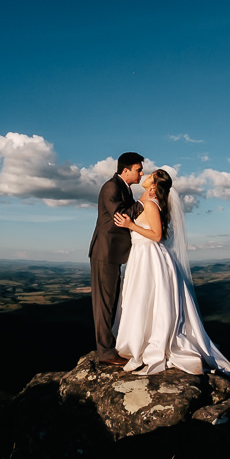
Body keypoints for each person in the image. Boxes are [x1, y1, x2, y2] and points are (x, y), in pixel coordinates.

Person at [112, 169, 230, 375]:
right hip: (142, 256)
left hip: (149, 256)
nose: (146, 175)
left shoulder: (150, 205)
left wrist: (130, 224)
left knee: (146, 299)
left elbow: (157, 235)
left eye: (150, 176)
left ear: (154, 185)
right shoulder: (147, 200)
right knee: (142, 300)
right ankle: (140, 341)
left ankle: (146, 343)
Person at [89, 152, 144, 366]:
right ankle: (104, 353)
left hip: (114, 253)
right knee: (103, 304)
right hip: (105, 253)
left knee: (111, 302)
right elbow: (120, 217)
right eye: (138, 170)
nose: (141, 174)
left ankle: (110, 347)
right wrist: (143, 203)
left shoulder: (125, 188)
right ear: (126, 170)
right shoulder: (111, 187)